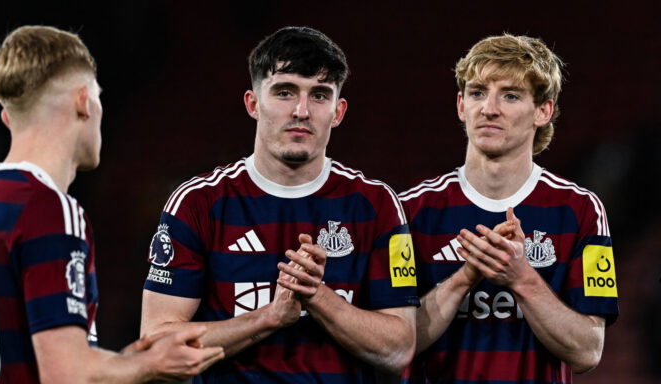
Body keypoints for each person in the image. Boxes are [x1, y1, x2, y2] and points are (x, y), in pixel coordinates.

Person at [0, 25, 223, 383]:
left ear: (9, 118)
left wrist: (120, 362)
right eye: (99, 95)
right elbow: (65, 375)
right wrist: (150, 365)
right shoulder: (49, 209)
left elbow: (22, 354)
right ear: (84, 101)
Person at [141, 26, 419, 383]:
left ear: (338, 112)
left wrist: (317, 296)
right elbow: (156, 343)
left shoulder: (377, 205)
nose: (302, 111)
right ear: (253, 104)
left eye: (319, 95)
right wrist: (269, 317)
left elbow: (398, 349)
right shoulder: (198, 203)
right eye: (285, 92)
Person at [398, 34, 618, 383]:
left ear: (543, 111)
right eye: (477, 92)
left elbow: (587, 352)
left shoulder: (580, 211)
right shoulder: (411, 210)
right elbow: (393, 350)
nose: (489, 108)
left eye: (510, 95)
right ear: (460, 105)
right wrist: (465, 277)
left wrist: (521, 277)